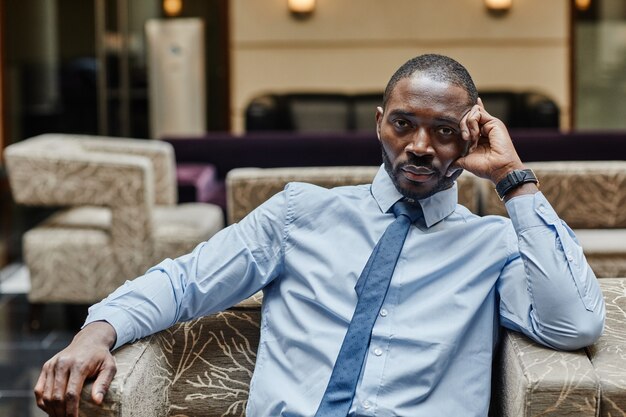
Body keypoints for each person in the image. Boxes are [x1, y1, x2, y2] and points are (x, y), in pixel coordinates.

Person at [34, 54, 605, 417]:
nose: (421, 146)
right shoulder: (299, 213)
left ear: (471, 140)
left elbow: (573, 322)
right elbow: (185, 281)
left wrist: (513, 178)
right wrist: (96, 331)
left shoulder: (495, 246)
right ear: (380, 121)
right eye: (404, 123)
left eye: (445, 132)